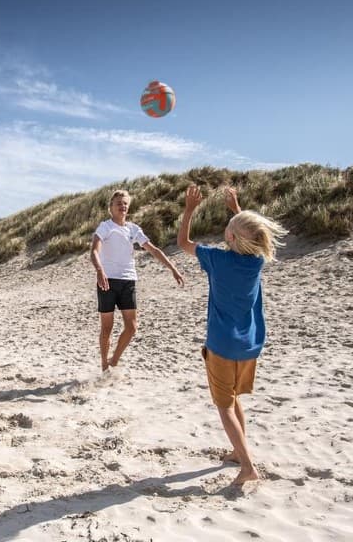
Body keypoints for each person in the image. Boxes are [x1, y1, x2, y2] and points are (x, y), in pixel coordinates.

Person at [178, 185, 288, 485]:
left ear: (230, 238)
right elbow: (252, 239)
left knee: (224, 406)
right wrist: (237, 210)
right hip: (250, 346)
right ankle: (238, 453)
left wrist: (189, 210)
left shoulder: (216, 259)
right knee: (234, 397)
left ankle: (248, 466)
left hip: (222, 345)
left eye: (228, 227)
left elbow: (183, 242)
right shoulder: (256, 261)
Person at [91, 189, 184, 373]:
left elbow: (153, 249)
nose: (122, 206)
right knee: (107, 328)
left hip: (128, 280)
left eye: (125, 203)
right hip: (107, 280)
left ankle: (114, 360)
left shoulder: (133, 229)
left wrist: (172, 268)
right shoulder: (105, 227)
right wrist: (99, 270)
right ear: (111, 207)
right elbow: (94, 251)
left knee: (132, 327)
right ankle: (103, 364)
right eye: (118, 203)